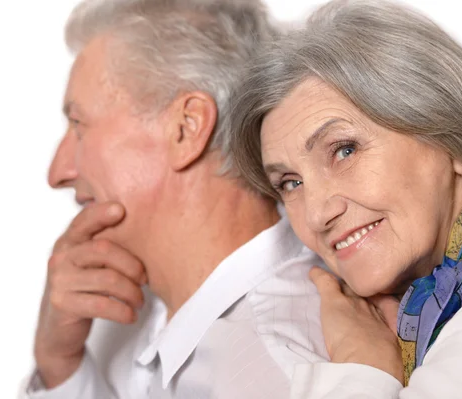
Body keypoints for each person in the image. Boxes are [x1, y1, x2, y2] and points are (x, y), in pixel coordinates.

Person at [19, 0, 329, 398]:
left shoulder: (274, 368)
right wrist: (60, 366)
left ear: (186, 128)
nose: (57, 173)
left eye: (79, 125)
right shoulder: (171, 321)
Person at [229, 0, 462, 398]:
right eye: (290, 183)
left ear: (451, 137)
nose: (317, 214)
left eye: (344, 150)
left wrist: (360, 363)